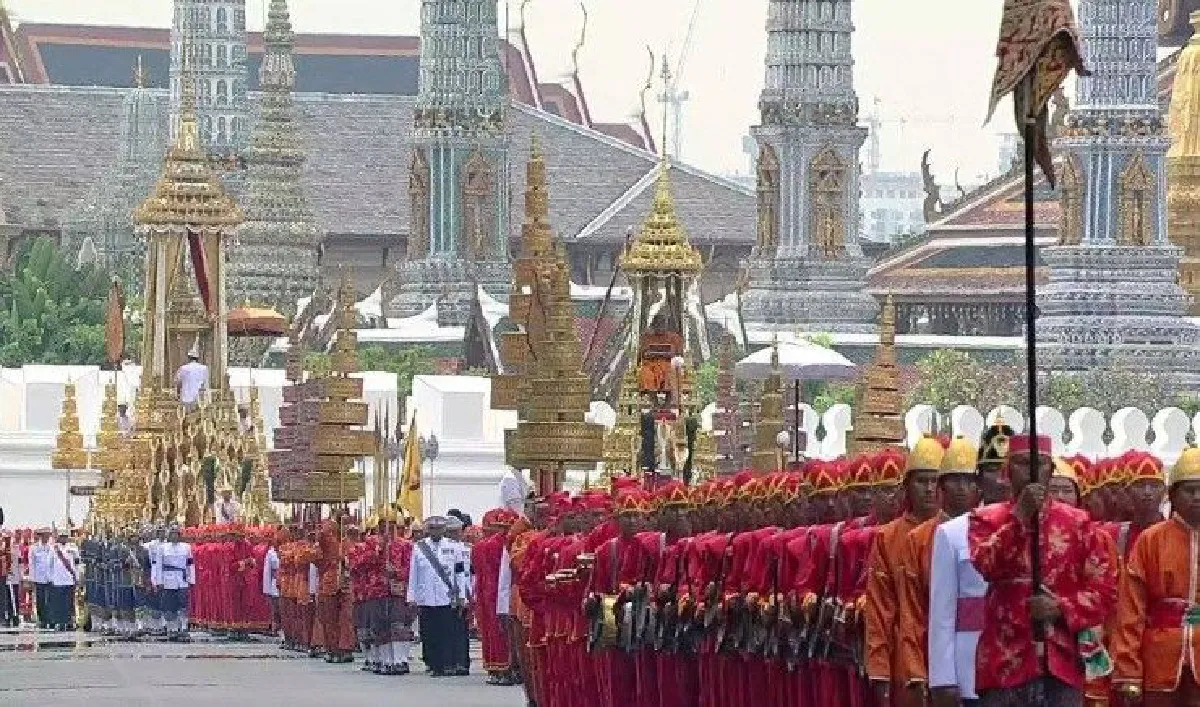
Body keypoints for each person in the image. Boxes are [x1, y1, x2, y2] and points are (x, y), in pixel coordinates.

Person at [968, 434, 1116, 706]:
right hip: (1004, 661)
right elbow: (986, 565)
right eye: (1024, 463)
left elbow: (1104, 592)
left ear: (1051, 470)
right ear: (1008, 470)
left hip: (1062, 664)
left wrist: (1060, 606)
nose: (1033, 471)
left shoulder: (1078, 523)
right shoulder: (986, 519)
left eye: (1041, 464)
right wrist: (1020, 517)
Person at [928, 419, 1013, 707]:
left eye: (1007, 470)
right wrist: (942, 679)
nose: (1001, 479)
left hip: (1028, 666)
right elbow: (942, 612)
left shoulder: (1045, 531)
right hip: (970, 661)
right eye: (992, 471)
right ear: (978, 479)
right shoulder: (952, 533)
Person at [1110, 446, 1200, 706]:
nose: (1196, 497)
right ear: (1173, 496)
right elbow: (1131, 610)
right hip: (1159, 661)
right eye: (1189, 490)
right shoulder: (1151, 540)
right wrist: (1128, 671)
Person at [864, 436, 945, 707]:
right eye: (922, 481)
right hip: (904, 663)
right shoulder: (887, 538)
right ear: (907, 486)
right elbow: (879, 612)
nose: (929, 489)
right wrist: (880, 673)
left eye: (935, 481)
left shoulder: (961, 532)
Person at [408, 516, 472, 677]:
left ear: (444, 530)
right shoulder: (419, 548)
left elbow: (459, 572)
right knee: (429, 632)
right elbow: (414, 574)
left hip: (446, 596)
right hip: (426, 596)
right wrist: (412, 597)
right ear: (428, 530)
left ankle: (447, 663)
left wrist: (462, 595)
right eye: (432, 529)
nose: (435, 532)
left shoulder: (453, 547)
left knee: (447, 631)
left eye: (438, 529)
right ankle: (434, 664)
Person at [152, 524, 195, 641]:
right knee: (170, 606)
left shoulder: (186, 547)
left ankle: (184, 627)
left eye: (176, 534)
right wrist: (158, 581)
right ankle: (172, 628)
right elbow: (158, 566)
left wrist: (191, 579)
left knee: (183, 605)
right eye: (172, 534)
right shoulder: (162, 548)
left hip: (182, 579)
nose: (174, 536)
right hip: (168, 580)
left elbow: (190, 564)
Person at [636, 312, 684, 394]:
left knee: (671, 373)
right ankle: (654, 400)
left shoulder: (674, 337)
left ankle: (668, 400)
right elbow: (642, 354)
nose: (660, 327)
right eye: (657, 324)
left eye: (662, 324)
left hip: (668, 364)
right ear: (653, 326)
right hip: (650, 365)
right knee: (646, 373)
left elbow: (679, 355)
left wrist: (669, 354)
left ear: (666, 325)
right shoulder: (647, 337)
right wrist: (649, 354)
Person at [49, 529, 80, 631]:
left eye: (65, 536)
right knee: (59, 603)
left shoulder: (73, 548)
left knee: (69, 603)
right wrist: (51, 578)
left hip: (69, 579)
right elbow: (50, 564)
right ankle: (59, 622)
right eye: (61, 536)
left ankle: (70, 622)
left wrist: (77, 577)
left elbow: (77, 563)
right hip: (58, 580)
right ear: (58, 537)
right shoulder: (53, 549)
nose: (63, 538)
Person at [30, 527, 54, 628]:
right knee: (40, 599)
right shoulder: (34, 548)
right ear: (41, 536)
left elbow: (53, 563)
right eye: (45, 535)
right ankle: (42, 619)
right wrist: (32, 578)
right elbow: (32, 564)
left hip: (50, 578)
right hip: (39, 578)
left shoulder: (52, 547)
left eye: (48, 535)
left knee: (50, 599)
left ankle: (50, 618)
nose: (47, 537)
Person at [174, 345, 209, 410]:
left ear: (189, 358)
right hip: (199, 400)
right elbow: (205, 384)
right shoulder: (204, 368)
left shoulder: (183, 368)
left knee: (186, 414)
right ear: (198, 358)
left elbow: (178, 383)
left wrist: (178, 394)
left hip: (186, 399)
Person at [263, 530, 281, 635]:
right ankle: (275, 627)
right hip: (275, 583)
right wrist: (267, 590)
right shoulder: (270, 552)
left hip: (289, 581)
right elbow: (267, 571)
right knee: (276, 608)